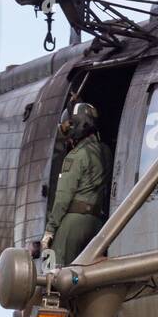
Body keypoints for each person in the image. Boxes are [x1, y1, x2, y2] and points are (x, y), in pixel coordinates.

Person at [41, 102, 110, 267]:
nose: (67, 131)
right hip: (97, 225)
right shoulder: (106, 152)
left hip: (73, 224)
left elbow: (63, 198)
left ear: (78, 125)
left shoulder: (76, 156)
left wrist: (50, 230)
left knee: (54, 271)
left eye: (68, 126)